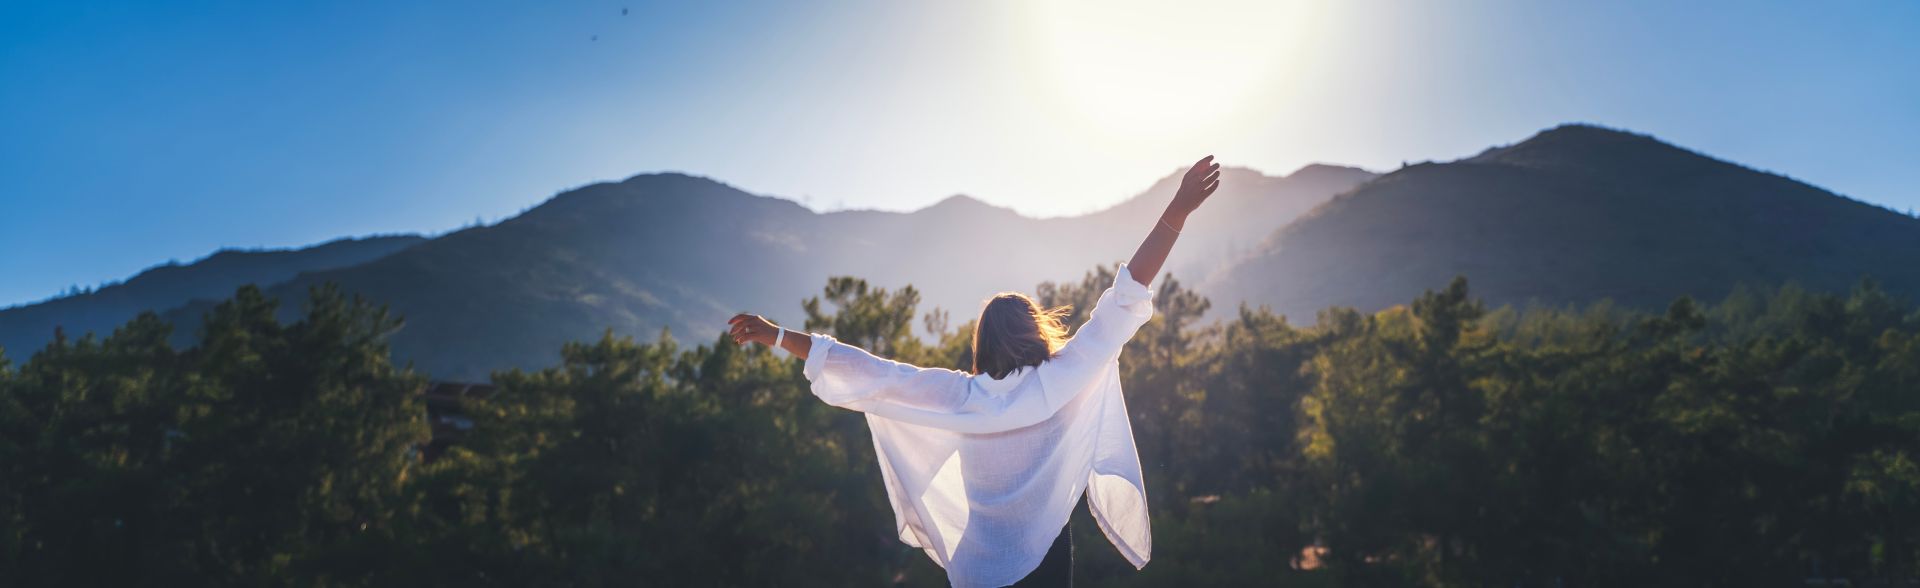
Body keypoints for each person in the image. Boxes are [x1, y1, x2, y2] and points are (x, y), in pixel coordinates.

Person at [727, 155, 1221, 587]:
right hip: (1046, 564)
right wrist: (1176, 211)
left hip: (976, 567)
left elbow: (873, 373)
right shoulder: (1066, 375)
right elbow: (1125, 295)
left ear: (982, 344)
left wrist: (777, 335)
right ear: (1037, 333)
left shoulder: (960, 396)